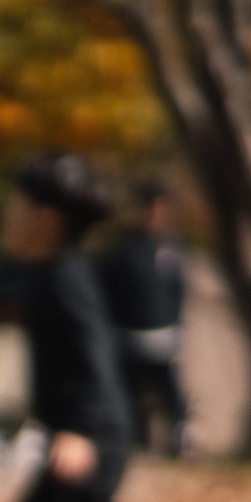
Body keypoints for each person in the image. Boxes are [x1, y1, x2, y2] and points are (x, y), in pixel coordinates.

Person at [0, 152, 234, 502]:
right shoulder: (50, 275)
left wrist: (78, 429)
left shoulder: (65, 277)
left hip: (90, 435)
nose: (9, 216)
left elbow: (94, 355)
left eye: (17, 205)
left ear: (47, 219)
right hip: (99, 434)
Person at [98, 181, 190, 458]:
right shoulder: (122, 249)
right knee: (131, 394)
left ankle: (178, 442)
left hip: (165, 333)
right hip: (129, 335)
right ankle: (136, 445)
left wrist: (176, 324)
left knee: (169, 393)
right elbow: (110, 291)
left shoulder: (173, 247)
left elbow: (177, 289)